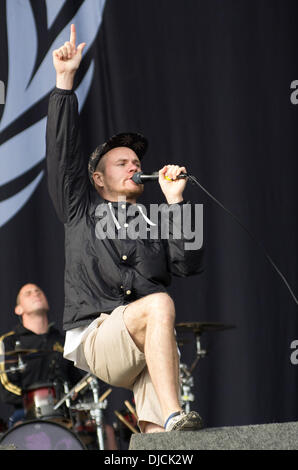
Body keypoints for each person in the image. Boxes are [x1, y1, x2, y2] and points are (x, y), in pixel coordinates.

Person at [46, 24, 204, 434]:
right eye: (122, 162)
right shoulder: (81, 206)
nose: (134, 165)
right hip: (97, 335)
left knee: (158, 441)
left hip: (140, 336)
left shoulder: (154, 217)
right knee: (160, 304)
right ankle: (175, 413)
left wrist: (175, 201)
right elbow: (63, 155)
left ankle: (163, 432)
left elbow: (189, 264)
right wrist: (64, 82)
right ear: (98, 179)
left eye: (137, 161)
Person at [0, 283, 83, 428]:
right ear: (18, 309)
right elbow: (6, 385)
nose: (35, 294)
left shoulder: (62, 341)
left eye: (38, 291)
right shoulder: (8, 342)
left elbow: (78, 380)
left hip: (65, 412)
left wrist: (74, 392)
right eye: (28, 293)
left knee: (103, 429)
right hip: (27, 412)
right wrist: (38, 398)